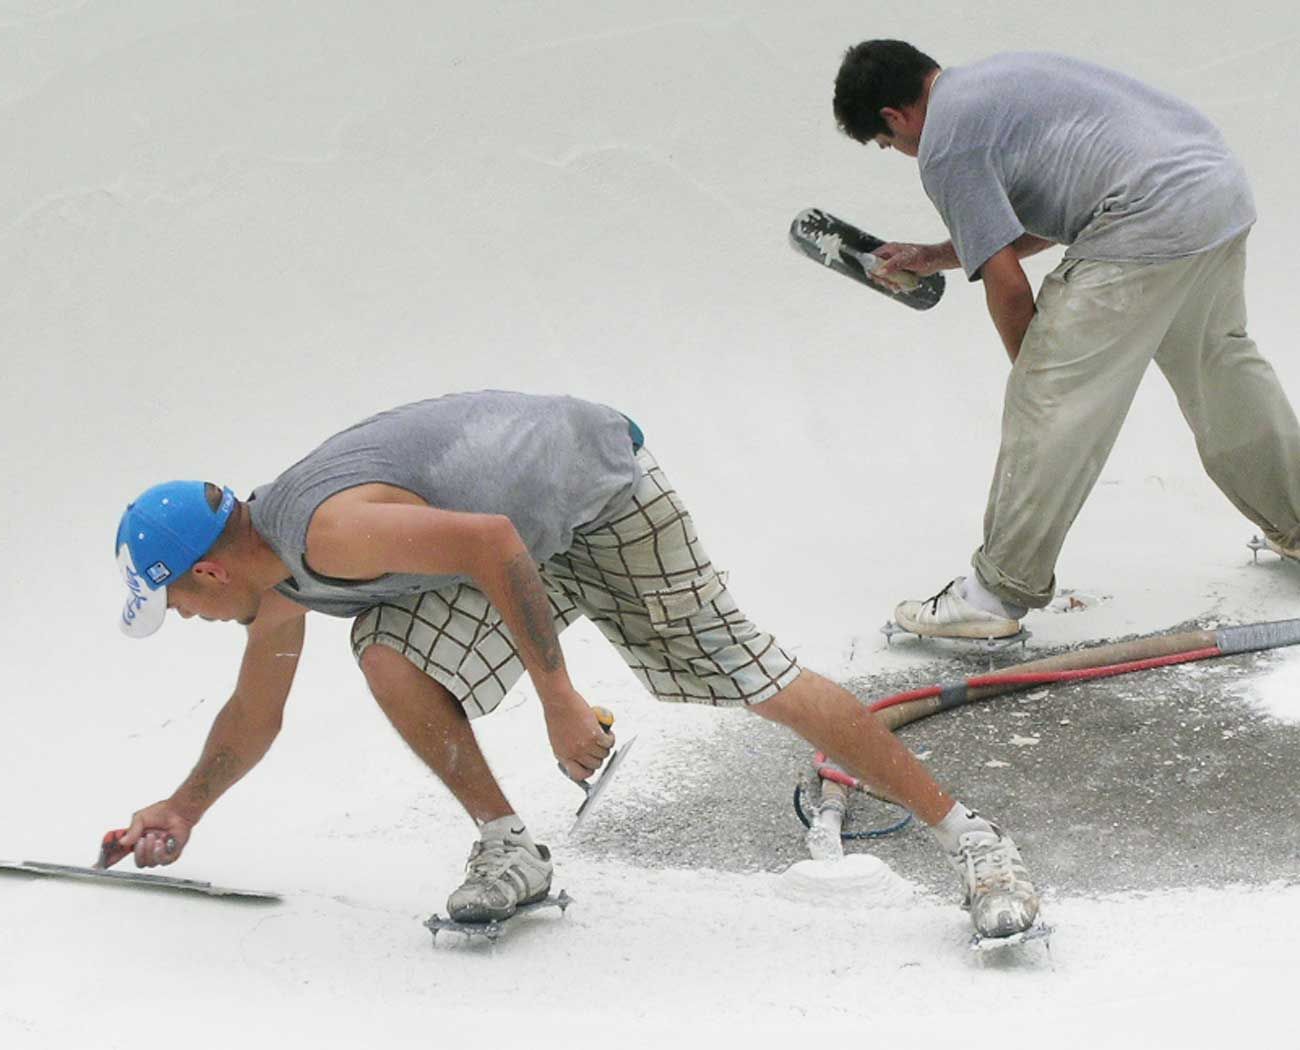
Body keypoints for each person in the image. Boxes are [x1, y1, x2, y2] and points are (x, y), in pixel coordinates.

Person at [107, 390, 1037, 938]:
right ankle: (512, 851)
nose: (185, 615)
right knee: (387, 653)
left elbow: (495, 540)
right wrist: (181, 809)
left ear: (210, 567)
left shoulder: (325, 531)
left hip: (597, 497)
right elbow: (253, 713)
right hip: (516, 536)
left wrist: (557, 697)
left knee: (748, 671)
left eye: (177, 599)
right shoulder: (281, 574)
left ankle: (977, 843)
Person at [832, 42, 1300, 639]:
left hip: (1145, 216)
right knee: (1221, 367)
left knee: (1049, 395)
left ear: (894, 117)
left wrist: (1039, 378)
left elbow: (1005, 283)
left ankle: (994, 592)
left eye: (889, 143)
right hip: (1214, 193)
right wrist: (934, 257)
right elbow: (1055, 213)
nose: (902, 152)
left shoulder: (946, 143)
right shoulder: (1003, 78)